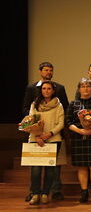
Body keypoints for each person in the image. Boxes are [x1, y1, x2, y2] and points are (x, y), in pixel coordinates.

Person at [22, 62, 69, 202]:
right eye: (44, 89)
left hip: (53, 138)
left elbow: (62, 121)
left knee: (51, 169)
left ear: (53, 90)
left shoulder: (59, 102)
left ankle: (47, 193)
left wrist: (48, 134)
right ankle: (35, 193)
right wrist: (37, 134)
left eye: (49, 89)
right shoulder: (34, 103)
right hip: (35, 138)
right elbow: (30, 118)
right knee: (35, 169)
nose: (47, 91)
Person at [65, 78, 91, 203]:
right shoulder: (73, 104)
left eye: (88, 86)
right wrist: (80, 131)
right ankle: (84, 192)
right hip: (78, 138)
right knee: (82, 167)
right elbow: (68, 122)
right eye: (83, 86)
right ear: (79, 89)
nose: (86, 88)